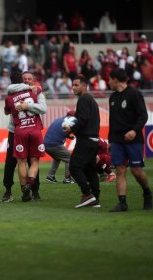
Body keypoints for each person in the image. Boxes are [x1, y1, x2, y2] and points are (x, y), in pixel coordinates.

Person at [108, 68, 151, 212]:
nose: (108, 82)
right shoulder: (112, 97)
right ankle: (122, 203)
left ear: (115, 79)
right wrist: (110, 140)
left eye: (109, 79)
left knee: (136, 170)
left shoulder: (134, 94)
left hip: (134, 139)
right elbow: (112, 120)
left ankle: (147, 193)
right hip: (117, 140)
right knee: (120, 170)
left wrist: (134, 130)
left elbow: (143, 115)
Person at [1, 71, 46, 202]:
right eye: (24, 79)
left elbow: (43, 109)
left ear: (33, 80)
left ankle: (34, 191)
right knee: (11, 162)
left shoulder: (36, 92)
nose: (26, 81)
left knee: (29, 161)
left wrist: (28, 105)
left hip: (22, 130)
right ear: (21, 81)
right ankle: (8, 190)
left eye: (29, 79)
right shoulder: (18, 91)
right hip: (15, 131)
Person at [65, 75, 100, 208]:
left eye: (76, 85)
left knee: (74, 167)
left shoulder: (84, 99)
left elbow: (83, 119)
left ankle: (87, 195)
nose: (73, 88)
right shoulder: (90, 99)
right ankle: (95, 199)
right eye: (72, 85)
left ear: (84, 86)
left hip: (86, 140)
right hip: (93, 140)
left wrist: (71, 129)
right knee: (90, 170)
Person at [44, 111, 75, 184]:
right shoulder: (69, 121)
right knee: (70, 158)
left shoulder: (59, 120)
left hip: (46, 144)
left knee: (57, 158)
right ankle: (68, 179)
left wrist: (68, 136)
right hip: (54, 144)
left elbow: (60, 131)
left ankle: (50, 177)